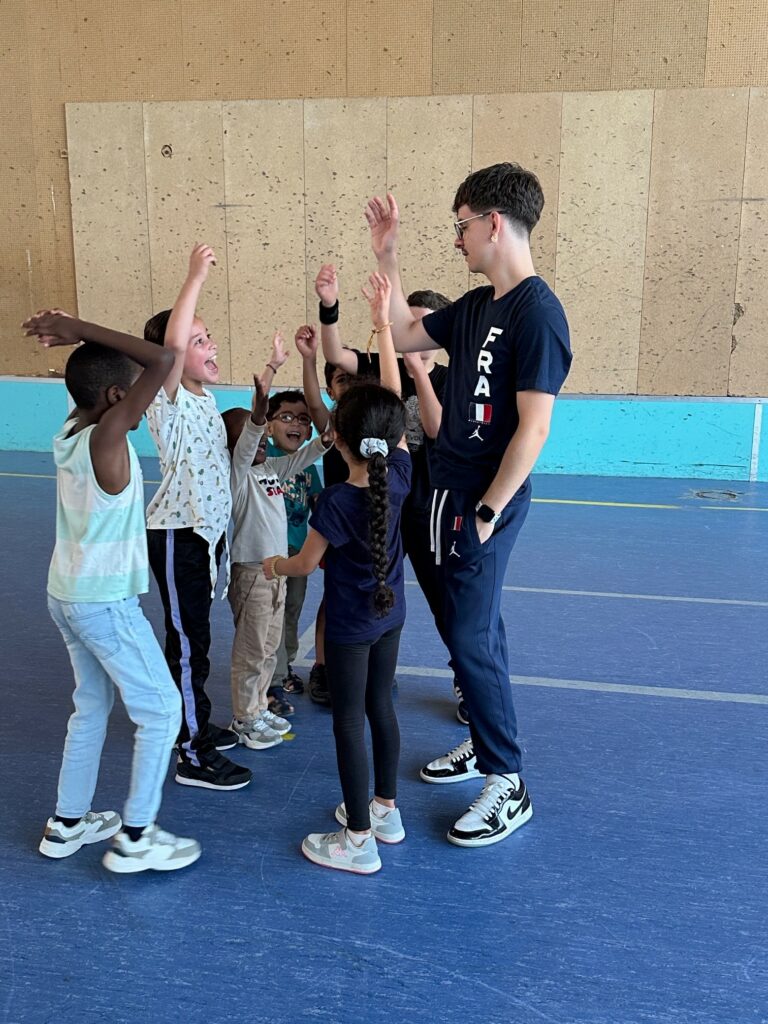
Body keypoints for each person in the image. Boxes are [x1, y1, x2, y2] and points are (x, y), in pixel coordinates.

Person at [365, 162, 573, 847]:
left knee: (471, 633)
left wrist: (485, 513)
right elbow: (401, 332)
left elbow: (534, 428)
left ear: (492, 222)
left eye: (460, 225)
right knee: (466, 624)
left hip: (482, 501)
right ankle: (484, 743)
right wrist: (387, 254)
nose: (456, 240)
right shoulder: (476, 307)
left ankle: (507, 782)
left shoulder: (537, 314)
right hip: (443, 491)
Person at [28, 309, 201, 873]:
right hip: (102, 603)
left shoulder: (71, 432)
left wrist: (84, 343)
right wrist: (81, 328)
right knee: (161, 709)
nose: (143, 403)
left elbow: (139, 372)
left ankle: (67, 823)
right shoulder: (107, 435)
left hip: (67, 594)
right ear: (115, 396)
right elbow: (165, 359)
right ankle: (135, 836)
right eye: (133, 396)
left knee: (92, 706)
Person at [263, 272, 409, 875]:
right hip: (392, 615)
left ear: (335, 438)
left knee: (349, 721)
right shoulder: (397, 475)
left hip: (350, 624)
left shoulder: (335, 503)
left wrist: (271, 563)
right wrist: (381, 330)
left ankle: (356, 840)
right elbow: (392, 406)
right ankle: (384, 810)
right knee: (382, 709)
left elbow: (303, 563)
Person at [143, 243, 272, 791]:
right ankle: (191, 752)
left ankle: (192, 720)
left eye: (208, 334)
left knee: (196, 641)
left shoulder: (206, 406)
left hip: (204, 541)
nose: (209, 344)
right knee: (189, 642)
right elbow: (170, 350)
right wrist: (194, 275)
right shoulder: (165, 399)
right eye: (198, 340)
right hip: (177, 538)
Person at [315, 266, 460, 714]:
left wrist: (415, 368)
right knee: (359, 582)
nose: (414, 332)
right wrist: (329, 306)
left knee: (444, 596)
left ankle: (464, 676)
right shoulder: (382, 363)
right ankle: (350, 666)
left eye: (423, 326)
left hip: (425, 502)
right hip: (377, 500)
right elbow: (336, 353)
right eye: (408, 323)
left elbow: (434, 429)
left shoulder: (448, 379)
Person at [221, 338, 331, 751]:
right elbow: (250, 436)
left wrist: (328, 436)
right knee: (252, 650)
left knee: (269, 648)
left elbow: (310, 452)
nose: (260, 441)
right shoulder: (241, 475)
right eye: (250, 435)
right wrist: (264, 389)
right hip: (252, 572)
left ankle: (260, 706)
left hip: (277, 570)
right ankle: (244, 718)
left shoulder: (272, 469)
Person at [266, 325, 330, 712]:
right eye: (286, 416)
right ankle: (269, 678)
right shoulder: (266, 460)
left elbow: (320, 503)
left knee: (291, 613)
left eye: (303, 419)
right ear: (270, 424)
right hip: (267, 558)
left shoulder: (309, 468)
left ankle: (285, 666)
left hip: (297, 556)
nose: (296, 424)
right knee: (268, 616)